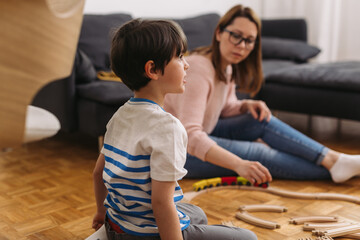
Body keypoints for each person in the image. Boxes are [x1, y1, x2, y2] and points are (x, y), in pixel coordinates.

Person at [92, 18, 257, 240]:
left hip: (117, 226)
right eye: (179, 58)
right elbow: (161, 203)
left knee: (196, 214)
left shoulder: (119, 115)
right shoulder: (168, 128)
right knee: (248, 238)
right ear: (153, 70)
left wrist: (101, 213)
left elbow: (98, 173)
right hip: (144, 234)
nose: (187, 64)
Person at [164, 4, 360, 184]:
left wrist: (245, 105)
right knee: (258, 153)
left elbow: (222, 109)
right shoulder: (199, 68)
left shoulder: (226, 68)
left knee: (258, 118)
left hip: (201, 136)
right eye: (236, 35)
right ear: (218, 33)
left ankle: (333, 160)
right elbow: (189, 135)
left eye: (249, 40)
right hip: (179, 153)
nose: (241, 45)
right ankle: (337, 167)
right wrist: (238, 164)